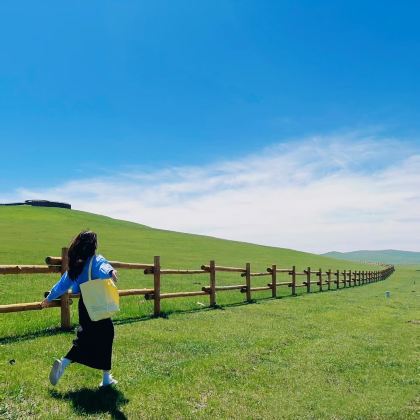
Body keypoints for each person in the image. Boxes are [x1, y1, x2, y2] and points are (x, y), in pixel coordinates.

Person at [41, 230, 119, 387]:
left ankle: (63, 364)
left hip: (85, 306)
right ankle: (105, 379)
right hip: (98, 305)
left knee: (85, 339)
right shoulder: (96, 260)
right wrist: (111, 271)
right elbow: (103, 267)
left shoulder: (76, 266)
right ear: (93, 246)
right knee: (106, 336)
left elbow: (62, 284)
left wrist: (49, 298)